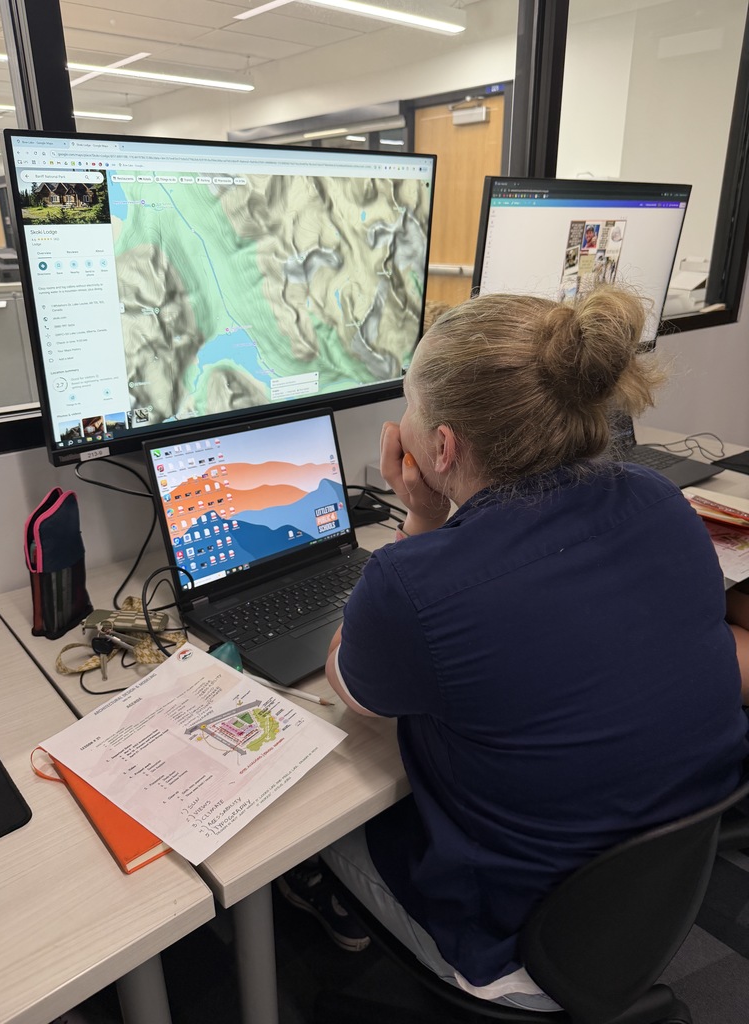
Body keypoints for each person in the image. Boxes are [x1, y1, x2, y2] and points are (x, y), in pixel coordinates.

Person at [279, 289, 749, 1009]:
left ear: (441, 446)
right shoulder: (660, 501)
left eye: (409, 402)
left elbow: (353, 686)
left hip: (518, 950)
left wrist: (419, 518)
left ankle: (323, 913)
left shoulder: (412, 584)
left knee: (299, 840)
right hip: (650, 905)